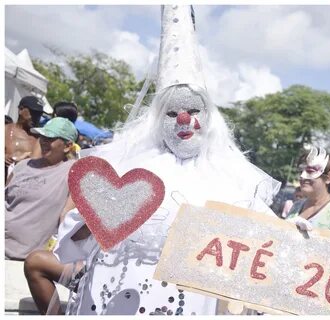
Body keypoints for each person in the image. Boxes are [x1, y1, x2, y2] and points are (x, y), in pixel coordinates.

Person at [53, 5, 280, 315]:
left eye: (193, 112)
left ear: (208, 117)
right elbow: (74, 237)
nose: (183, 120)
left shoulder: (233, 180)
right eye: (172, 113)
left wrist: (296, 233)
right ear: (159, 119)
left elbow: (270, 242)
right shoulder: (130, 168)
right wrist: (100, 220)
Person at [5, 117, 78, 260]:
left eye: (49, 138)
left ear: (67, 146)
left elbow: (67, 219)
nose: (43, 141)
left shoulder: (72, 172)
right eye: (42, 137)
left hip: (24, 262)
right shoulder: (22, 166)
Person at [286, 146, 330, 236]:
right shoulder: (296, 206)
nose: (302, 176)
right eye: (300, 171)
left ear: (328, 178)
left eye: (310, 171)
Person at [5, 95, 44, 180]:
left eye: (39, 114)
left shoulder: (41, 139)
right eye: (33, 113)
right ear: (21, 109)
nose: (36, 118)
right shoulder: (5, 130)